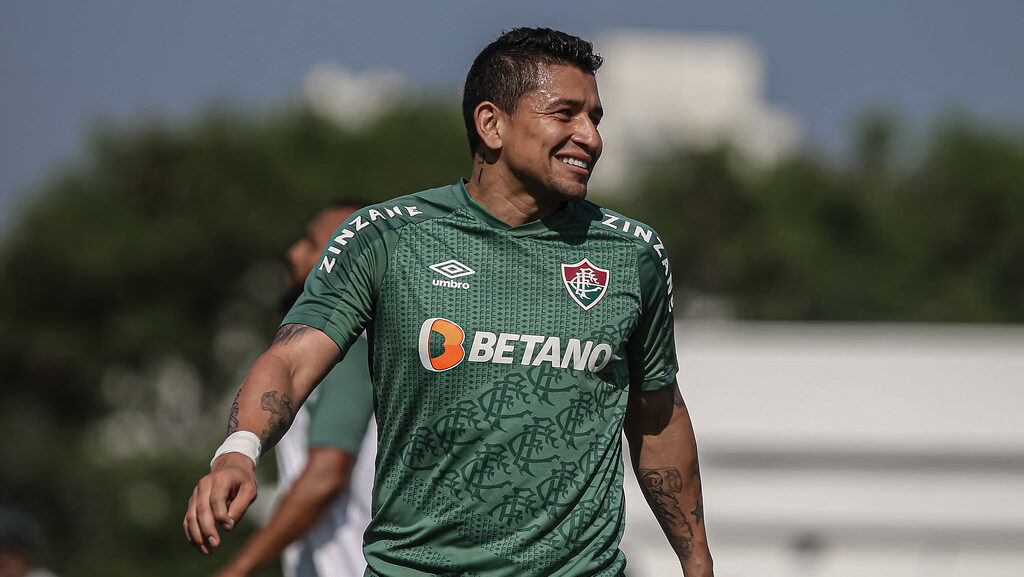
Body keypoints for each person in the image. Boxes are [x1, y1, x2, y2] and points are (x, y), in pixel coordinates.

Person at [185, 27, 713, 577]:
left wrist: (697, 563)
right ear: (491, 124)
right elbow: (292, 360)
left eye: (595, 118)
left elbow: (657, 418)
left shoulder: (631, 253)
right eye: (565, 114)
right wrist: (239, 450)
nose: (591, 137)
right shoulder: (387, 237)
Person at [211, 204, 376, 577]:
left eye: (313, 243)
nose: (294, 252)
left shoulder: (345, 348)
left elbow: (326, 473)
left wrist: (238, 569)